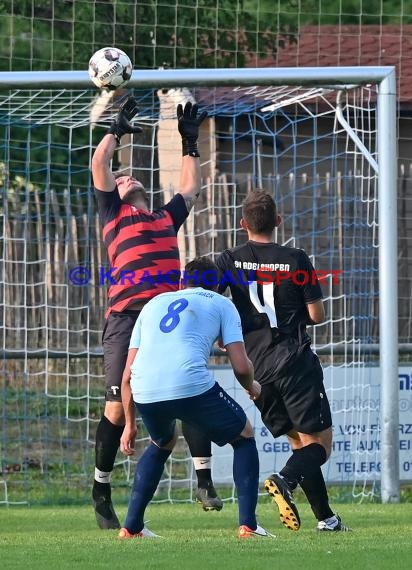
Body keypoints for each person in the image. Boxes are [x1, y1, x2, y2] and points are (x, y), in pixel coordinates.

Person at [91, 95, 222, 530]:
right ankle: (101, 490)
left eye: (127, 174)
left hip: (166, 316)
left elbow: (190, 188)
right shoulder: (112, 214)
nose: (123, 176)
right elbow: (99, 166)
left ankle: (203, 477)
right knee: (115, 408)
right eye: (120, 176)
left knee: (188, 387)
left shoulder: (166, 218)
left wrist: (190, 143)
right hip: (127, 318)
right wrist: (115, 129)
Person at [216, 190, 351, 532]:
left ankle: (327, 519)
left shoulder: (228, 259)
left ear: (243, 223)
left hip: (254, 368)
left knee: (298, 442)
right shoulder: (296, 258)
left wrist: (224, 341)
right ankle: (285, 480)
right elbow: (317, 314)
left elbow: (209, 305)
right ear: (278, 221)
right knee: (319, 445)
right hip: (293, 361)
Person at [118, 256, 274, 539]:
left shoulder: (153, 304)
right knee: (244, 435)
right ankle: (249, 526)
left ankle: (131, 528)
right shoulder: (221, 303)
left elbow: (126, 375)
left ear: (182, 283)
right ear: (217, 286)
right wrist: (253, 386)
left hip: (144, 388)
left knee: (162, 441)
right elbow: (241, 365)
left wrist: (129, 423)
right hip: (188, 383)